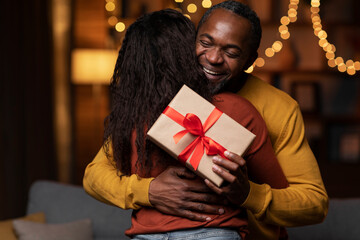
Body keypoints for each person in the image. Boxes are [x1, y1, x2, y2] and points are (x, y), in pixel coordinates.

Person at [84, 1, 329, 239]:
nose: (213, 58)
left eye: (231, 52)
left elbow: (315, 204)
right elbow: (95, 175)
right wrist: (148, 191)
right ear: (191, 41)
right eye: (205, 43)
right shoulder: (165, 93)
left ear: (250, 60)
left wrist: (249, 194)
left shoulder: (279, 108)